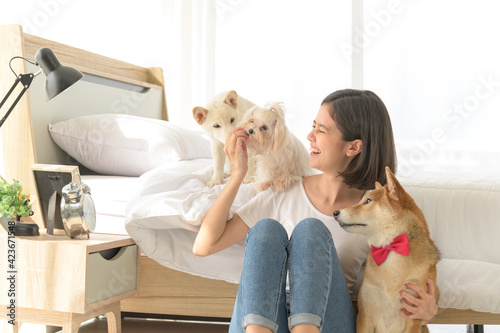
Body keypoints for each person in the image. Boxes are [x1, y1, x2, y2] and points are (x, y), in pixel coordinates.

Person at [193, 89, 438, 333]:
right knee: (265, 231)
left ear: (353, 147)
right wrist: (238, 173)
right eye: (313, 127)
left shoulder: (377, 212)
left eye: (321, 130)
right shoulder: (284, 191)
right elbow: (204, 245)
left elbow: (411, 269)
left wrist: (428, 310)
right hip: (263, 319)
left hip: (325, 320)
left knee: (311, 231)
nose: (310, 136)